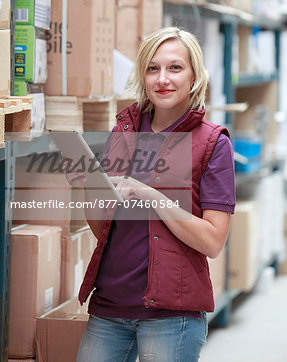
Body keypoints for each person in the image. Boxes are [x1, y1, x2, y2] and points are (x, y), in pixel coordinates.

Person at [65, 27, 236, 361]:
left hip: (171, 317)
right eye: (152, 68)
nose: (163, 79)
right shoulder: (123, 132)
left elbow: (214, 241)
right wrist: (90, 191)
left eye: (175, 68)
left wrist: (150, 194)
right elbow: (104, 230)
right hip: (110, 307)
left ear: (194, 76)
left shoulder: (214, 143)